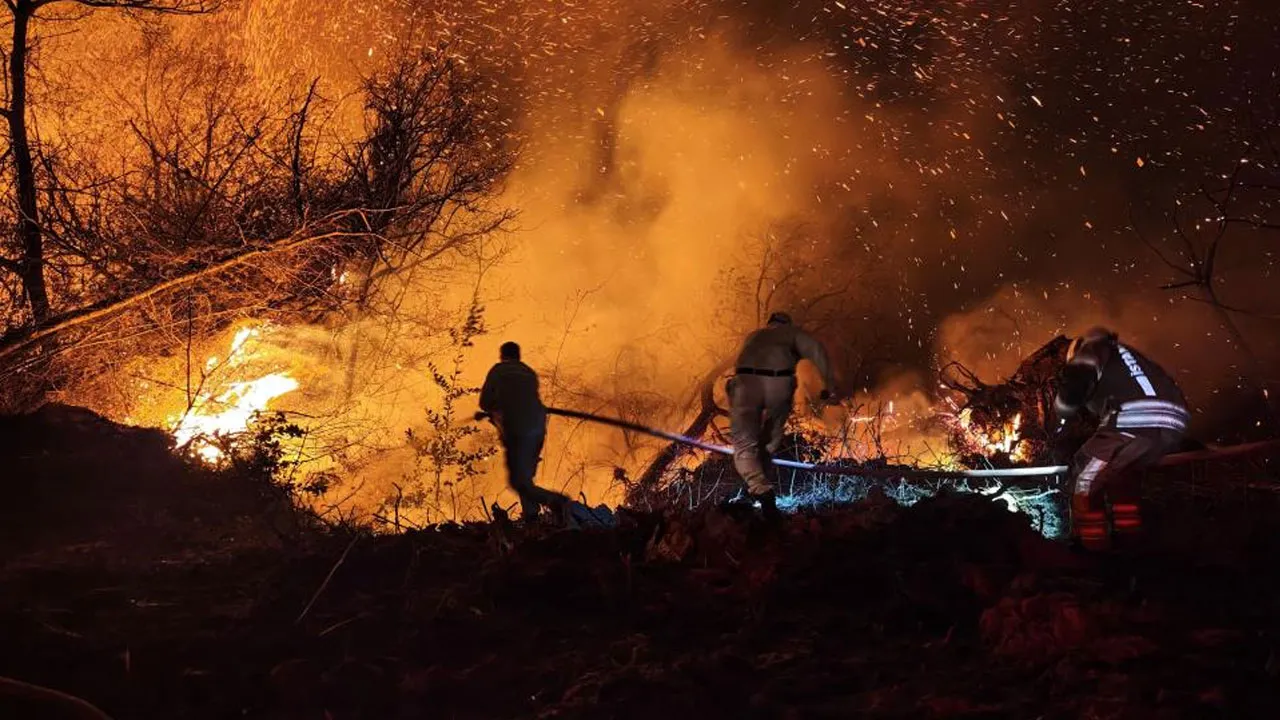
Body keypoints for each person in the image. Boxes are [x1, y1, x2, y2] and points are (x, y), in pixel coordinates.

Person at [1054, 327, 1189, 551]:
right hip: (1173, 423)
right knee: (1120, 477)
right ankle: (1129, 545)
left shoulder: (1093, 348)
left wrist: (1063, 411)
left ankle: (1091, 548)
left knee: (1083, 474)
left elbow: (1077, 382)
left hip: (1136, 417)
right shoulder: (1128, 357)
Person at [728, 312, 836, 521]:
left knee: (744, 443)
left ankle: (759, 488)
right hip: (779, 384)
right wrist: (828, 387)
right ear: (787, 325)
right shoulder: (793, 334)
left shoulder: (754, 336)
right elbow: (817, 350)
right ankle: (761, 482)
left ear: (769, 324)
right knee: (770, 441)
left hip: (745, 383)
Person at [477, 342, 566, 521]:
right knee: (525, 479)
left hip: (517, 431)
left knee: (519, 482)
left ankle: (557, 502)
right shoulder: (528, 372)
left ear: (502, 356)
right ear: (518, 356)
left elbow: (485, 402)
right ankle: (532, 517)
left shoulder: (498, 371)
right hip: (538, 428)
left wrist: (493, 410)